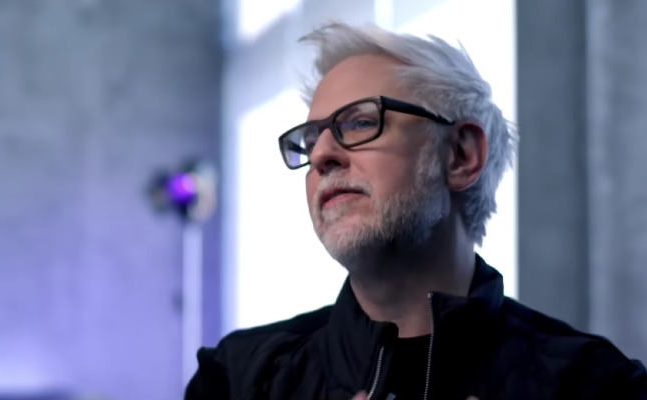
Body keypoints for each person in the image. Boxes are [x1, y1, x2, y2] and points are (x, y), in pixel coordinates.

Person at [185, 22, 647, 400]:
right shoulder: (236, 379)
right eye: (310, 140)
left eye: (360, 122)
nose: (321, 155)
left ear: (461, 155)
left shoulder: (595, 385)